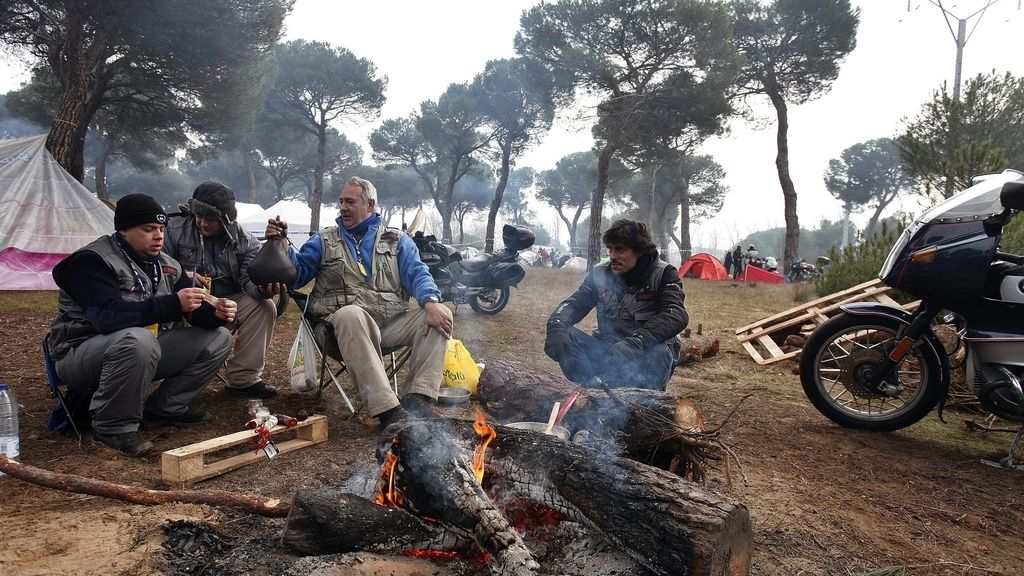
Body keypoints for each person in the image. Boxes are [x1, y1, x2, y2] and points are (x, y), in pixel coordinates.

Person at [45, 194, 236, 457]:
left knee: (219, 337)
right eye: (148, 230)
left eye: (161, 229)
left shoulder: (168, 265)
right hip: (80, 353)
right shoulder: (91, 261)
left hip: (142, 350)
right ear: (123, 230)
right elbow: (107, 317)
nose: (158, 236)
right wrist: (173, 304)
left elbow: (195, 314)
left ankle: (165, 408)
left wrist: (217, 314)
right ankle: (113, 428)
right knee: (136, 340)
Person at [264, 176, 453, 428]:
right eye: (341, 201)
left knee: (439, 314)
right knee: (351, 314)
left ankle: (417, 400)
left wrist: (431, 302)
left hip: (388, 326)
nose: (343, 207)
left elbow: (418, 274)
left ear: (370, 205)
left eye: (350, 202)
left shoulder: (397, 241)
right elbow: (297, 274)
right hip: (337, 331)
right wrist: (281, 246)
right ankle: (388, 412)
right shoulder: (324, 240)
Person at [164, 181, 282, 399]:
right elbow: (159, 266)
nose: (202, 223)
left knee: (264, 306)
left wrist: (264, 290)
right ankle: (173, 372)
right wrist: (182, 276)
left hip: (226, 301)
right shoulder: (173, 230)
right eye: (198, 216)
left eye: (210, 218)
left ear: (226, 219)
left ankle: (243, 379)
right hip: (182, 298)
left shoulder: (247, 242)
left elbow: (248, 284)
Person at [543, 219, 688, 391]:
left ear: (640, 251)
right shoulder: (600, 273)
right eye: (610, 248)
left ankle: (642, 401)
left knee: (659, 351)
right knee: (565, 334)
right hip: (607, 352)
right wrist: (556, 325)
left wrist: (636, 342)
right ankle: (590, 392)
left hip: (643, 354)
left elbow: (675, 314)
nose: (612, 256)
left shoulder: (664, 273)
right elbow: (575, 303)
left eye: (620, 249)